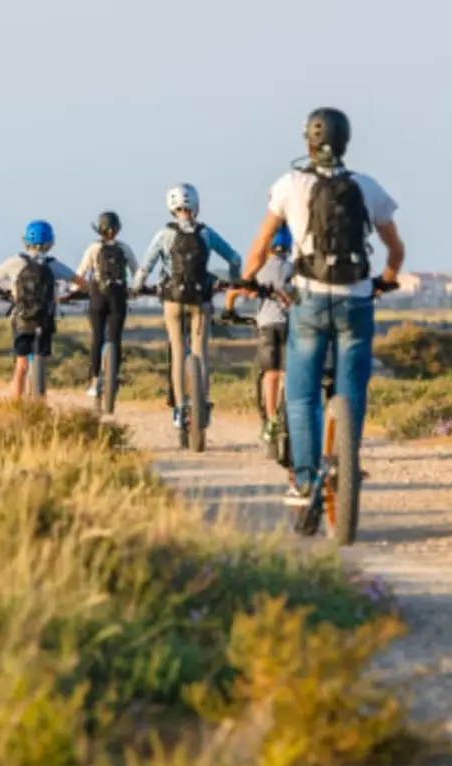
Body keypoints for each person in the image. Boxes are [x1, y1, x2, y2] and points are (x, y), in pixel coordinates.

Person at [240, 107, 404, 507]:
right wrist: (386, 278)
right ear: (346, 142)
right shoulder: (367, 187)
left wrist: (247, 282)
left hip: (310, 299)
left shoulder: (288, 185)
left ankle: (304, 480)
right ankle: (347, 462)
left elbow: (260, 249)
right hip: (356, 299)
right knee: (353, 387)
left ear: (308, 143)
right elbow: (395, 248)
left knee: (302, 395)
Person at [133, 183, 242, 428]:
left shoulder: (164, 234)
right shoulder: (206, 233)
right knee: (200, 353)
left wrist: (137, 288)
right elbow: (234, 258)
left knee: (178, 351)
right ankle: (203, 405)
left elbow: (145, 267)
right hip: (200, 300)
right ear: (196, 204)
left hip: (173, 300)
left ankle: (181, 408)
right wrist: (234, 280)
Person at [0, 220, 86, 399]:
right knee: (41, 359)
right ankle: (40, 402)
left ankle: (16, 403)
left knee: (21, 364)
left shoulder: (15, 262)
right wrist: (70, 295)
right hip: (45, 319)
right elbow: (82, 283)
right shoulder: (53, 265)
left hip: (22, 319)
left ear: (25, 241)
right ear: (51, 243)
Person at [223, 223, 293, 442]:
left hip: (267, 325)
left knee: (271, 373)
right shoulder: (294, 269)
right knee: (289, 373)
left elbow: (233, 293)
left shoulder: (258, 268)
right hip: (292, 326)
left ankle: (271, 420)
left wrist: (229, 312)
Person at [75, 211, 139, 398]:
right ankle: (114, 378)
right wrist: (135, 290)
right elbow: (137, 272)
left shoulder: (93, 248)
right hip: (118, 296)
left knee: (97, 337)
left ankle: (94, 381)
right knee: (115, 338)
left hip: (98, 295)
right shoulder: (124, 248)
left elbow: (81, 272)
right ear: (118, 228)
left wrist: (72, 291)